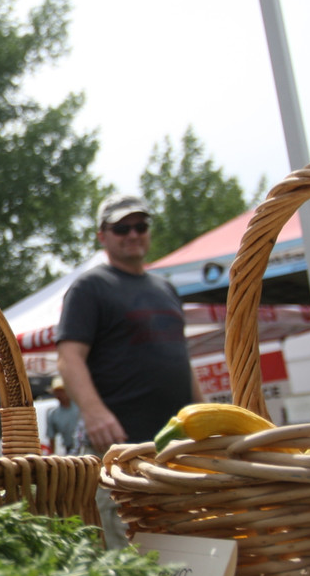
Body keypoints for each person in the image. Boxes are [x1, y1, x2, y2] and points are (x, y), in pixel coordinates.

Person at [56, 194, 203, 547]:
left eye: (140, 226)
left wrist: (204, 415)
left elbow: (180, 360)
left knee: (183, 544)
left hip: (174, 446)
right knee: (127, 550)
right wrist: (94, 413)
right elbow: (68, 357)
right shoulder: (90, 287)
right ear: (102, 236)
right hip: (120, 449)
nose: (133, 234)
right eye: (121, 227)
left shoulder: (165, 288)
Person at [42, 375, 80, 455]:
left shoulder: (80, 407)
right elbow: (51, 438)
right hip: (70, 450)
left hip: (84, 446)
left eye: (62, 391)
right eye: (57, 392)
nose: (60, 394)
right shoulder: (53, 414)